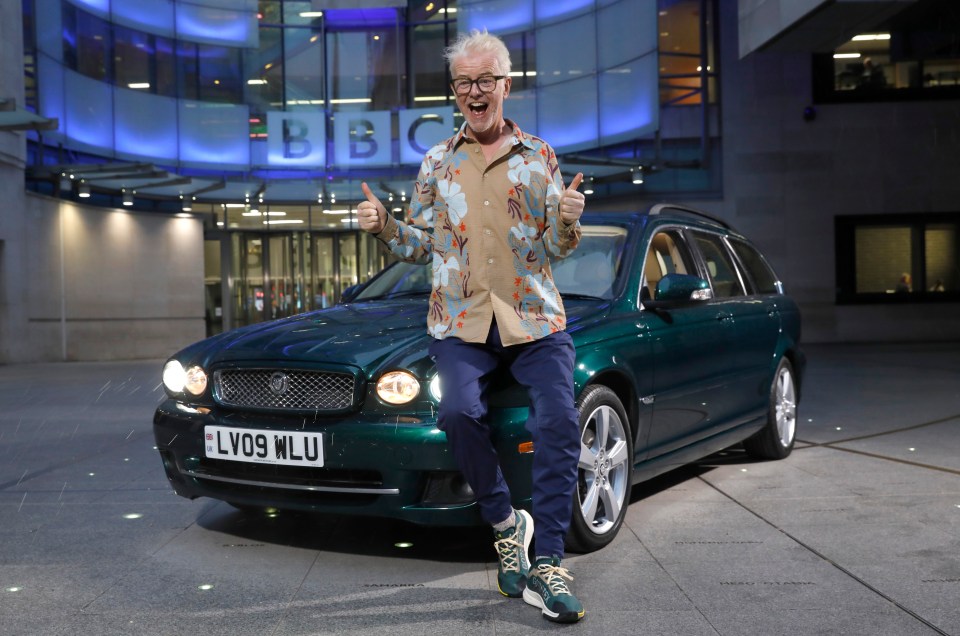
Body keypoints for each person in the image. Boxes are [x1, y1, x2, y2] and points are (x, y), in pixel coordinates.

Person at [357, 29, 587, 624]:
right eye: (465, 82)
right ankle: (506, 525)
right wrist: (384, 225)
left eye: (486, 80)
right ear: (456, 92)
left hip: (533, 317)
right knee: (458, 412)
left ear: (506, 86)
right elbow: (417, 246)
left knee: (560, 416)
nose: (475, 91)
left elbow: (555, 249)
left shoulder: (539, 157)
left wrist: (567, 219)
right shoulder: (436, 162)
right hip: (460, 320)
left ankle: (552, 558)